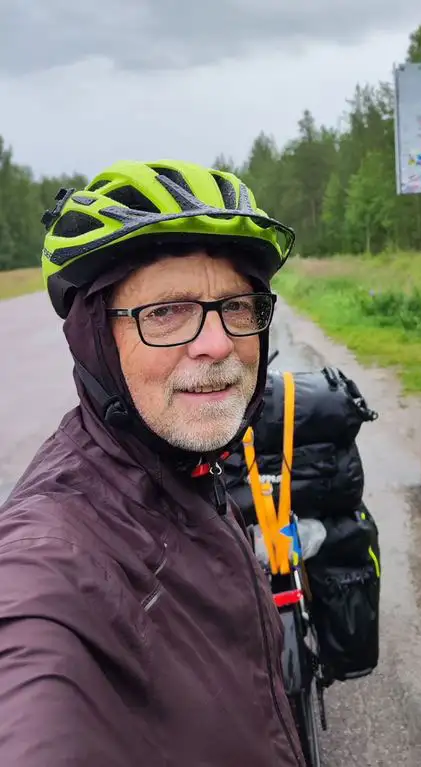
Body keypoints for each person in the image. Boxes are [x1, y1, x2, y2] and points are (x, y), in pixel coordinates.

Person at [0, 160, 306, 766]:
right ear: (96, 338)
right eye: (165, 311)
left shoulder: (181, 469)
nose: (217, 343)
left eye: (238, 306)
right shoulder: (54, 556)